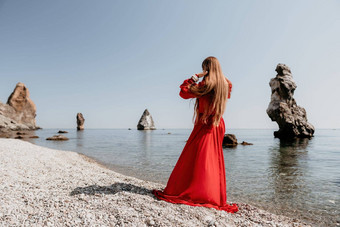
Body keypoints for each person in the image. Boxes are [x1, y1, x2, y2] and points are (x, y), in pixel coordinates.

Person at [152, 56, 238, 213]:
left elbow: (183, 92)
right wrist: (218, 74)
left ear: (207, 68)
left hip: (204, 124)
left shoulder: (206, 84)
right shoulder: (224, 85)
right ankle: (210, 194)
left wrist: (196, 76)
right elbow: (229, 87)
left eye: (205, 68)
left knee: (196, 158)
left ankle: (199, 193)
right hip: (218, 124)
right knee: (211, 159)